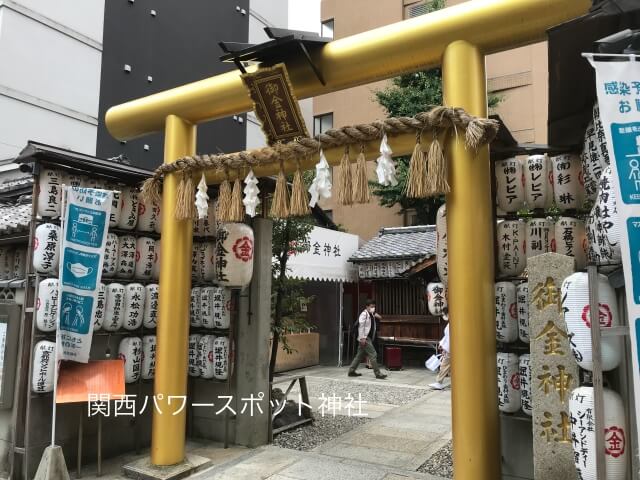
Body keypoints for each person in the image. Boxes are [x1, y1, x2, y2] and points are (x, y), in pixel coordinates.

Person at [348, 299, 387, 379]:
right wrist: (362, 338)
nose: (373, 308)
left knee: (359, 355)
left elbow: (379, 318)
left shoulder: (371, 314)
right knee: (373, 354)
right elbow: (361, 326)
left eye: (374, 306)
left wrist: (376, 315)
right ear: (367, 306)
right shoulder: (364, 314)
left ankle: (351, 371)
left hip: (367, 338)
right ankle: (378, 373)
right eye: (371, 306)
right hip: (365, 338)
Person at [429, 307, 450, 390]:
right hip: (450, 348)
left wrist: (445, 348)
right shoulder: (451, 324)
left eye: (444, 314)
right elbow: (447, 337)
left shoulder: (451, 324)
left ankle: (439, 382)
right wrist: (442, 344)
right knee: (446, 366)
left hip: (450, 350)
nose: (444, 316)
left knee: (444, 365)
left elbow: (449, 338)